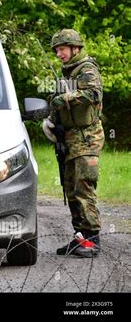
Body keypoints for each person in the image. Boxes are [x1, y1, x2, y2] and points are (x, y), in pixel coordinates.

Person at [42, 29, 105, 257]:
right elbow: (60, 105)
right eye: (57, 50)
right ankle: (80, 238)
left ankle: (92, 241)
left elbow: (93, 94)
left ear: (75, 48)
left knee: (83, 188)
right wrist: (52, 122)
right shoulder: (66, 73)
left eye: (62, 49)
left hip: (86, 139)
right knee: (71, 189)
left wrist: (64, 98)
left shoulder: (86, 69)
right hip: (70, 140)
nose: (59, 54)